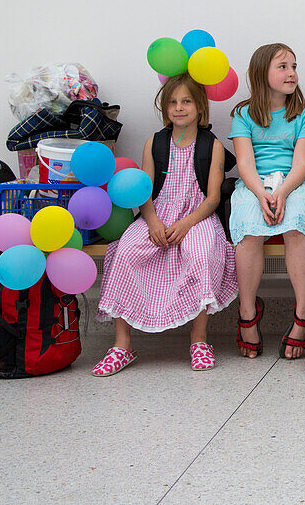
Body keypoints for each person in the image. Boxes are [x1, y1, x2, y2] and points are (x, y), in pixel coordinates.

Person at [94, 74, 237, 375]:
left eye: (186, 101)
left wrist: (186, 224)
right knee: (126, 252)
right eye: (172, 102)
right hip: (157, 214)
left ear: (200, 106)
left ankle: (199, 339)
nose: (179, 108)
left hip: (196, 215)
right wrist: (154, 222)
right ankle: (122, 344)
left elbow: (212, 198)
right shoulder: (154, 143)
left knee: (200, 253)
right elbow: (144, 193)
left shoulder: (213, 146)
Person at [229, 43, 305, 360]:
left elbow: (301, 164)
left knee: (296, 227)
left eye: (294, 66)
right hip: (254, 183)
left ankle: (301, 316)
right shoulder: (243, 114)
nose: (291, 73)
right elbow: (245, 163)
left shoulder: (304, 114)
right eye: (283, 66)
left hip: (294, 183)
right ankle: (247, 312)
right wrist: (261, 193)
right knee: (247, 230)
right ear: (261, 73)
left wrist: (282, 193)